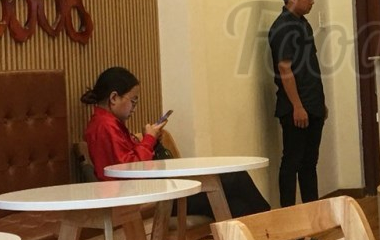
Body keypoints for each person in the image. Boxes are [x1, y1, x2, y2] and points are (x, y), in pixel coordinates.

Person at [80, 66, 268, 218]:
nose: (134, 109)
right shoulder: (105, 126)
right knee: (235, 178)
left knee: (237, 205)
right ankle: (275, 230)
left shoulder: (108, 123)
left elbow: (129, 161)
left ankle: (266, 239)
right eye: (133, 101)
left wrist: (149, 140)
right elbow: (131, 170)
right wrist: (149, 139)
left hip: (150, 192)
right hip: (145, 198)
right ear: (114, 98)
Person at [268, 0, 326, 210]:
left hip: (312, 104)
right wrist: (298, 106)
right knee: (291, 162)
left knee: (309, 164)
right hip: (295, 108)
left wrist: (319, 104)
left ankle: (312, 215)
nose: (312, 1)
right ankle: (288, 217)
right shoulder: (283, 27)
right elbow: (285, 68)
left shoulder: (303, 24)